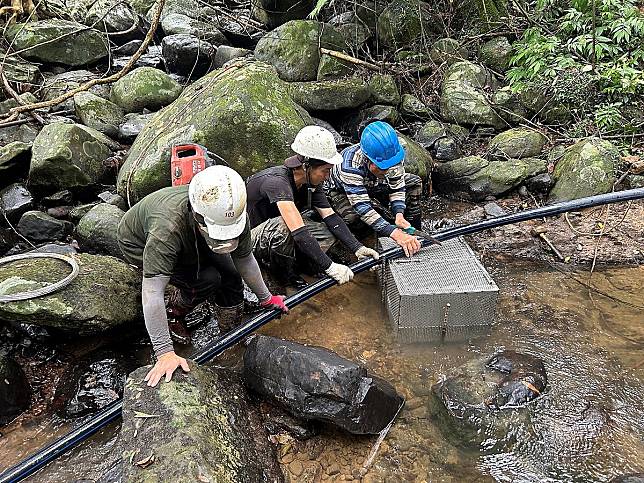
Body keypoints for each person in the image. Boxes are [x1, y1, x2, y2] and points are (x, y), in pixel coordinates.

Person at [117, 166, 288, 387]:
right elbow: (152, 291)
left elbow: (245, 260)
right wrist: (165, 352)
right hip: (137, 241)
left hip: (195, 232)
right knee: (207, 279)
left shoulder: (233, 213)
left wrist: (267, 298)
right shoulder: (167, 230)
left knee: (230, 274)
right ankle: (174, 310)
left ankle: (232, 332)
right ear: (198, 216)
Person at [247, 125, 380, 288]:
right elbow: (298, 231)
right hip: (249, 237)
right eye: (325, 170)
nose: (328, 176)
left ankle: (305, 265)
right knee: (284, 227)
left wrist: (357, 248)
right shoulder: (277, 183)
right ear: (305, 166)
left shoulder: (310, 182)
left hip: (274, 230)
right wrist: (330, 266)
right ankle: (284, 275)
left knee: (327, 233)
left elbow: (331, 217)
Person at [324, 121, 422, 257]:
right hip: (342, 190)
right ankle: (362, 243)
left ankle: (413, 233)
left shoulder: (393, 152)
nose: (388, 169)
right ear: (368, 159)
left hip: (374, 182)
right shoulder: (349, 165)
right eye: (383, 166)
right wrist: (394, 234)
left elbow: (397, 185)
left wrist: (399, 213)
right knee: (352, 217)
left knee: (413, 182)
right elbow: (363, 207)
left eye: (390, 165)